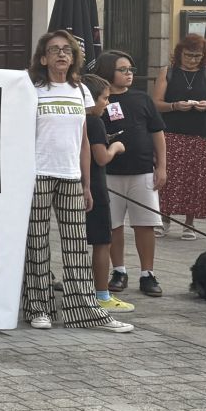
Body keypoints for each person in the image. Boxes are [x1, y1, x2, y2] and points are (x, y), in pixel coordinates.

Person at [23, 30, 132, 333]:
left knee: (75, 245)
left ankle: (84, 309)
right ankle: (38, 307)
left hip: (71, 175)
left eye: (66, 51)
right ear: (43, 58)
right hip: (37, 175)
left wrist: (86, 183)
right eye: (54, 50)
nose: (61, 55)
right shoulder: (31, 88)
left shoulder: (80, 90)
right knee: (37, 244)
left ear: (73, 57)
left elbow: (83, 140)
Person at [91, 50, 167, 299]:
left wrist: (162, 166)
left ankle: (148, 272)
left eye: (131, 70)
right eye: (122, 70)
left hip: (142, 170)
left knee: (145, 223)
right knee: (113, 225)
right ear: (107, 71)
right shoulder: (99, 100)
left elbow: (157, 132)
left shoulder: (142, 99)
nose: (129, 74)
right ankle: (119, 270)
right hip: (110, 173)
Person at [154, 33, 206, 235]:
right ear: (180, 53)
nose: (192, 60)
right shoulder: (168, 72)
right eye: (189, 55)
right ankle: (164, 218)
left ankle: (189, 222)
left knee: (196, 178)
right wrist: (174, 106)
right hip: (172, 133)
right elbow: (155, 103)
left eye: (197, 56)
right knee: (168, 177)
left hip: (201, 134)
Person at [81, 74, 134, 317]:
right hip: (97, 187)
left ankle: (82, 288)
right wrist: (116, 147)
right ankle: (101, 294)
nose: (107, 102)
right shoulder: (94, 122)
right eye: (104, 98)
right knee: (102, 241)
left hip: (80, 184)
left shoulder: (78, 119)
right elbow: (101, 157)